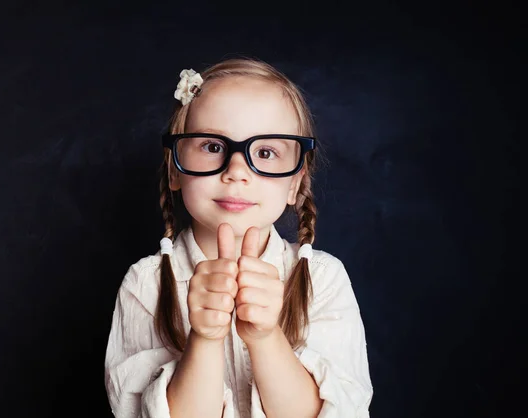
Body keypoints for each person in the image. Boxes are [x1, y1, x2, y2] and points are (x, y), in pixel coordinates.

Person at [104, 57, 372, 418]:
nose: (237, 171)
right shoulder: (146, 284)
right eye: (213, 147)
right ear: (175, 169)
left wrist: (265, 338)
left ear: (295, 182)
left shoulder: (323, 279)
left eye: (265, 152)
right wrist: (205, 338)